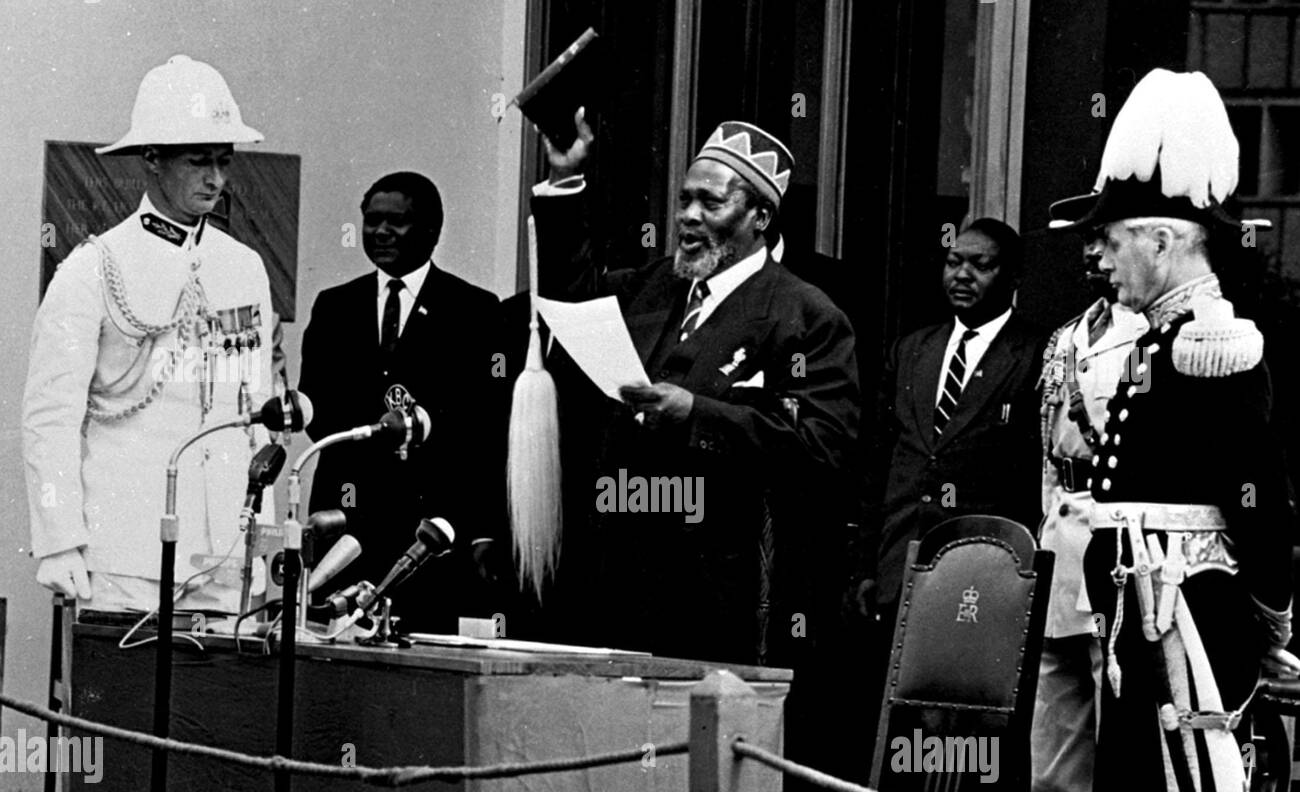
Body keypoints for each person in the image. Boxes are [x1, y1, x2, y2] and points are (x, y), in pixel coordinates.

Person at [1052, 68, 1294, 792]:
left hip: (1184, 625)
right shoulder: (1158, 339)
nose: (1103, 258)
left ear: (1161, 239)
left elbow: (1261, 502)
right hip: (1140, 625)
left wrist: (1262, 625)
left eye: (1114, 240)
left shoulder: (1214, 343)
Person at [529, 112, 860, 668]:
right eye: (684, 200)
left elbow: (823, 448)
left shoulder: (804, 314)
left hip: (721, 589)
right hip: (617, 576)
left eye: (711, 203)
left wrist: (695, 413)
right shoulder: (653, 285)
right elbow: (571, 303)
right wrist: (564, 183)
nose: (687, 216)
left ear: (760, 216)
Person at [23, 55, 275, 614]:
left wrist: (263, 535)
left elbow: (258, 413)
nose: (216, 179)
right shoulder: (93, 269)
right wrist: (59, 537)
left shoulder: (243, 268)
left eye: (223, 161)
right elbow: (50, 417)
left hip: (225, 549)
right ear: (153, 160)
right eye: (198, 161)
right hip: (126, 549)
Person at [852, 220, 1044, 728]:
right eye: (954, 261)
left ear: (1013, 277)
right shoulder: (912, 349)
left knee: (965, 725)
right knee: (895, 722)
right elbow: (881, 462)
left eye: (981, 265)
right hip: (901, 563)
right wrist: (870, 564)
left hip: (981, 573)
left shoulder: (1036, 355)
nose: (962, 274)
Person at [298, 172, 507, 632]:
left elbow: (485, 424)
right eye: (372, 221)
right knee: (335, 644)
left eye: (397, 222)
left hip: (428, 523)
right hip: (347, 516)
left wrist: (483, 528)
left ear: (432, 231)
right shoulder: (334, 306)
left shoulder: (475, 310)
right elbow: (317, 406)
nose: (381, 233)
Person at [1031, 228, 1148, 792]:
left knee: (1124, 780)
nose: (1093, 259)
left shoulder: (1153, 337)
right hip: (1060, 552)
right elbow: (1050, 458)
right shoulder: (1067, 336)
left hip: (1119, 567)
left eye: (1105, 242)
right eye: (1085, 246)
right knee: (1055, 774)